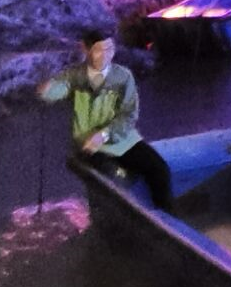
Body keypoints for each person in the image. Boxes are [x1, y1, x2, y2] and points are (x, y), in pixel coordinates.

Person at [39, 28, 173, 208]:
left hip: (119, 138)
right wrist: (47, 88)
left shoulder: (123, 76)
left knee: (160, 169)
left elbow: (128, 115)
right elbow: (56, 90)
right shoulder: (75, 76)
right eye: (98, 50)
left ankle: (167, 219)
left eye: (109, 49)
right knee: (115, 178)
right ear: (86, 50)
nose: (105, 55)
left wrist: (104, 134)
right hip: (89, 144)